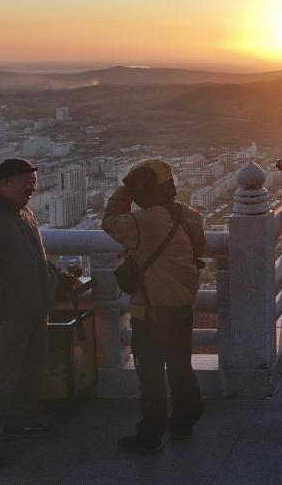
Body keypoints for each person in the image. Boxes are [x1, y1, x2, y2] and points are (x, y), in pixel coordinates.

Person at [0, 158, 69, 469]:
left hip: (34, 308)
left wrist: (51, 279)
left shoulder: (25, 213)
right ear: (4, 183)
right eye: (25, 181)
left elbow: (36, 257)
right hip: (5, 314)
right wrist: (7, 295)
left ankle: (19, 422)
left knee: (31, 371)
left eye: (33, 181)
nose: (32, 187)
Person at [102, 159, 206, 452]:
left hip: (151, 310)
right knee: (180, 367)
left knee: (150, 374)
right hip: (182, 307)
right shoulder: (189, 214)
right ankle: (185, 419)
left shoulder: (147, 221)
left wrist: (123, 191)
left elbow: (110, 221)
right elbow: (200, 249)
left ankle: (150, 433)